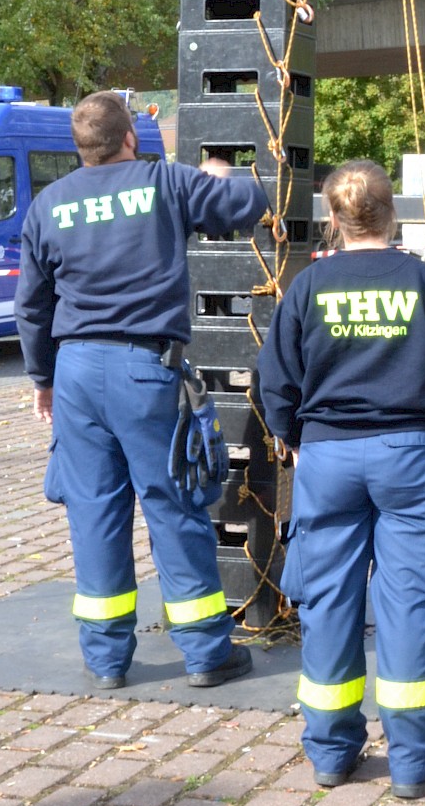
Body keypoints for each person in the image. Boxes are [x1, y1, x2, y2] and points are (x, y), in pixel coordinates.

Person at [16, 90, 271, 691]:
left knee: (94, 514)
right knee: (173, 505)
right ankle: (207, 654)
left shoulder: (48, 205)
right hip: (143, 369)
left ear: (79, 149)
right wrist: (219, 172)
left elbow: (32, 307)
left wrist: (43, 379)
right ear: (130, 137)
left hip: (76, 372)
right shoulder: (165, 182)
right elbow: (248, 204)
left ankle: (106, 661)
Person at [256, 160, 425, 799]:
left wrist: (295, 436)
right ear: (392, 214)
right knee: (410, 604)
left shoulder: (308, 285)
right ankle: (418, 761)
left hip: (326, 460)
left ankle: (330, 752)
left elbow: (276, 380)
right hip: (411, 457)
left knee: (327, 602)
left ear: (333, 220)